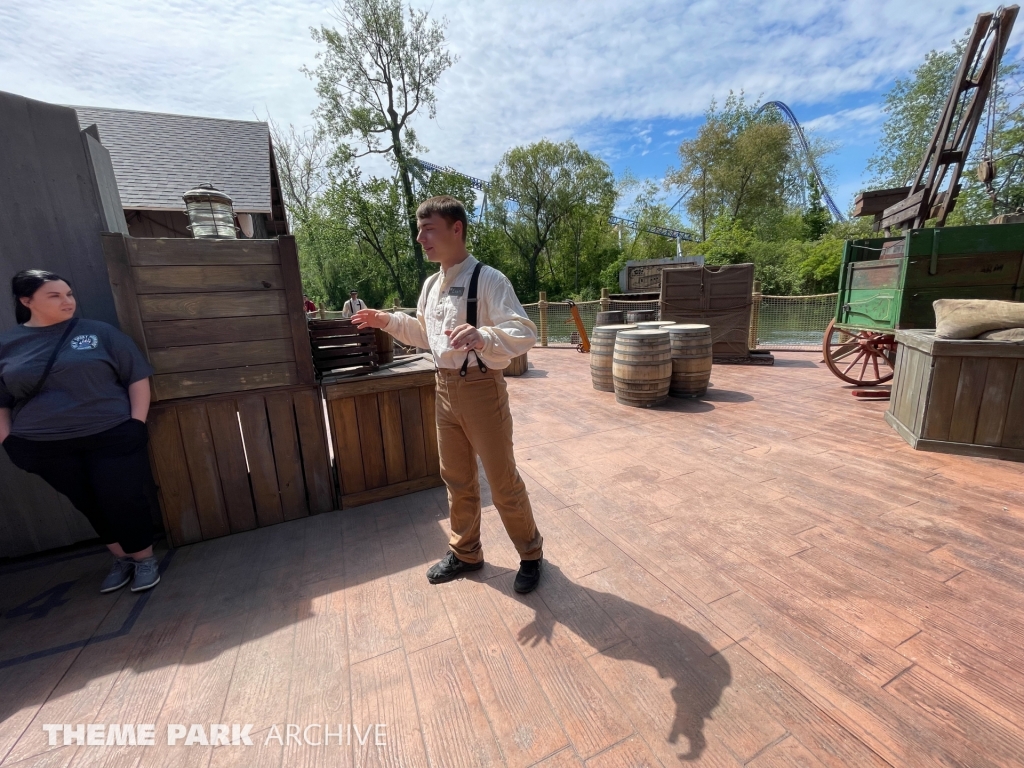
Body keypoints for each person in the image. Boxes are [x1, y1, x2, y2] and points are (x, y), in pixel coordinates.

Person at [352, 196, 544, 593]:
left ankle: (530, 554)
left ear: (457, 229)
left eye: (429, 229)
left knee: (501, 478)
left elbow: (525, 332)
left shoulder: (489, 279)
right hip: (442, 388)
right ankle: (466, 553)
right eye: (420, 230)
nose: (420, 238)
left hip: (480, 390)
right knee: (456, 478)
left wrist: (484, 334)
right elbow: (426, 335)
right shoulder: (430, 285)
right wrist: (386, 320)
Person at [0, 270, 160, 593]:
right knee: (87, 501)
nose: (67, 301)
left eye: (69, 294)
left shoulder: (99, 333)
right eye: (55, 296)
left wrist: (136, 423)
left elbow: (137, 377)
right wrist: (9, 441)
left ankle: (145, 559)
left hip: (110, 434)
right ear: (26, 301)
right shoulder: (7, 345)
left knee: (122, 497)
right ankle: (121, 559)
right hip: (43, 445)